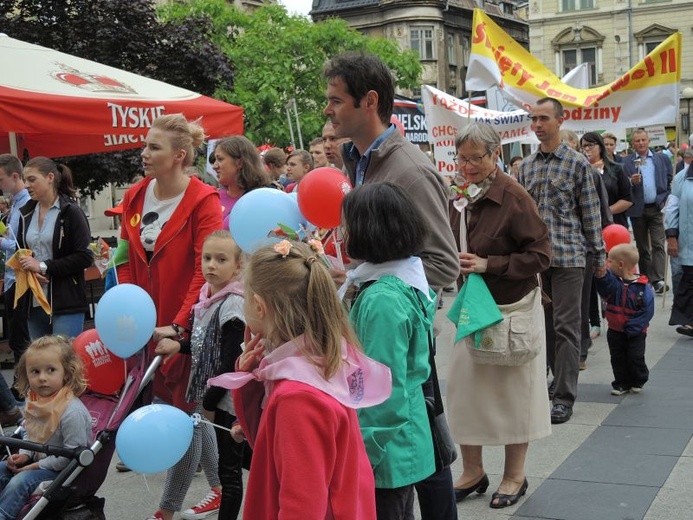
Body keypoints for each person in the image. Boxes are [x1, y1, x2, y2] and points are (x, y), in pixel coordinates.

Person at [324, 51, 459, 519]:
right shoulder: (355, 157)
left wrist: (384, 285)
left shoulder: (410, 170)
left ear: (370, 102)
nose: (328, 110)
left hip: (396, 324)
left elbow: (443, 262)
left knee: (417, 434)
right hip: (378, 311)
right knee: (417, 437)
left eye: (336, 100)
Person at [209, 241, 390, 519]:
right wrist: (252, 385)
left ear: (259, 307)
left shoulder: (297, 397)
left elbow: (302, 505)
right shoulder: (320, 356)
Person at [117, 115, 223, 505]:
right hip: (145, 321)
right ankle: (220, 489)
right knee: (190, 411)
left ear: (179, 156)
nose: (143, 154)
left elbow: (205, 269)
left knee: (184, 413)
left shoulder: (203, 200)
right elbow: (125, 256)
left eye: (153, 147)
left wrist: (178, 326)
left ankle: (168, 508)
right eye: (145, 145)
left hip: (189, 321)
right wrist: (133, 310)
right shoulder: (134, 196)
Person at [447, 122, 551, 509]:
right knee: (465, 391)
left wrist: (489, 264)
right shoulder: (459, 192)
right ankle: (472, 471)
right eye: (463, 157)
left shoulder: (514, 196)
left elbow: (541, 255)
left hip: (509, 307)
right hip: (470, 306)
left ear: (496, 156)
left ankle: (514, 476)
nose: (468, 165)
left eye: (477, 158)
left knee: (512, 396)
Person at [341, 183, 439, 519]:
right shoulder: (398, 280)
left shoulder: (383, 298)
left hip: (388, 448)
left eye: (347, 225)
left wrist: (364, 451)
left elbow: (384, 390)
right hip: (398, 442)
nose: (342, 233)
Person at [518, 97, 605, 424]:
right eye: (533, 119)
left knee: (567, 327)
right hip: (537, 263)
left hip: (569, 258)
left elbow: (590, 212)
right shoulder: (525, 166)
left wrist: (598, 254)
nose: (537, 125)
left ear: (559, 120)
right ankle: (557, 380)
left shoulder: (577, 163)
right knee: (546, 328)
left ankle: (564, 397)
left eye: (543, 118)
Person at [154, 230, 245, 519]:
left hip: (227, 401)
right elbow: (204, 345)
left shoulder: (233, 304)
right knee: (221, 460)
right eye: (207, 258)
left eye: (221, 259)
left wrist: (209, 402)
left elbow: (231, 362)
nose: (211, 266)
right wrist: (179, 346)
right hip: (210, 395)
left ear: (238, 266)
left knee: (230, 472)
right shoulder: (206, 296)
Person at [0, 335, 91, 520]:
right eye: (35, 371)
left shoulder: (71, 412)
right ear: (26, 373)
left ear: (66, 372)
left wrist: (32, 466)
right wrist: (24, 454)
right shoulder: (34, 401)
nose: (42, 378)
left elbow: (70, 458)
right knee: (2, 469)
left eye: (51, 370)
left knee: (20, 482)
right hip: (38, 461)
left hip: (60, 470)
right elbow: (30, 433)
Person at [16, 158, 92, 340]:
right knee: (41, 362)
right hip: (33, 301)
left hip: (66, 301)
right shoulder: (25, 213)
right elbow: (21, 253)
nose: (26, 185)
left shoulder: (71, 211)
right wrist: (28, 269)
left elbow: (85, 256)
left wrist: (43, 266)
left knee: (63, 361)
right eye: (25, 180)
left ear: (50, 177)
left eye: (32, 179)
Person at [579, 132, 629, 367]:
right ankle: (593, 321)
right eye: (583, 146)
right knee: (588, 279)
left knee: (609, 275)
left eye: (591, 145)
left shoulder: (616, 169)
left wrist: (602, 210)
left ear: (601, 147)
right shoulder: (580, 169)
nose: (587, 149)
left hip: (612, 229)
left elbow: (627, 199)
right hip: (588, 233)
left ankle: (617, 314)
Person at [594, 244, 654, 394]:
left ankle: (639, 378)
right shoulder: (614, 283)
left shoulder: (643, 287)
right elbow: (604, 285)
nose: (608, 264)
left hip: (636, 332)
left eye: (610, 261)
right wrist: (600, 273)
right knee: (617, 357)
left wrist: (633, 327)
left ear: (620, 264)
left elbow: (647, 311)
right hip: (615, 330)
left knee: (635, 356)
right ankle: (621, 383)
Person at [622, 128, 673, 294]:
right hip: (637, 209)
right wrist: (631, 182)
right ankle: (646, 278)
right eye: (637, 141)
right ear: (633, 143)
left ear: (649, 141)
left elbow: (668, 178)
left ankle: (658, 279)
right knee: (643, 247)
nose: (641, 143)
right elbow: (622, 185)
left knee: (658, 244)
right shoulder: (627, 162)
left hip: (656, 208)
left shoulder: (661, 158)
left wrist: (664, 198)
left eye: (643, 140)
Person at [0, 155, 31, 413]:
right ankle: (22, 387)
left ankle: (24, 389)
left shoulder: (26, 203)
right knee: (17, 336)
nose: (0, 185)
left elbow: (22, 245)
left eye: (1, 179)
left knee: (21, 337)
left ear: (14, 177)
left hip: (20, 280)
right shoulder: (16, 204)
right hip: (13, 279)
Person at [213, 136, 272, 230]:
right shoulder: (213, 197)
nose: (214, 166)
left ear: (239, 163)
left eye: (220, 159)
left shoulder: (263, 200)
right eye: (214, 160)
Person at [666, 159, 693, 334]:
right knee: (689, 280)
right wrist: (672, 236)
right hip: (688, 241)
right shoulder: (682, 178)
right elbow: (672, 209)